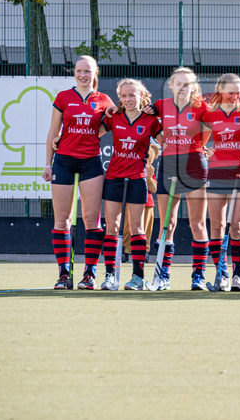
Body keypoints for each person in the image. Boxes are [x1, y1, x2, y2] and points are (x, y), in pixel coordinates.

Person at [43, 56, 113, 290]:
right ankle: (64, 274)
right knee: (62, 220)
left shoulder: (103, 99)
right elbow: (53, 131)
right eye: (79, 71)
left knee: (92, 220)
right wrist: (48, 163)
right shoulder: (63, 97)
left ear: (96, 73)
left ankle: (89, 275)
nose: (83, 75)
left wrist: (91, 134)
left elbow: (106, 126)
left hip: (91, 164)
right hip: (63, 161)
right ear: (75, 72)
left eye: (87, 71)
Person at [99, 79, 161, 291]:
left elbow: (168, 141)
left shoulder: (151, 120)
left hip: (137, 177)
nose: (127, 100)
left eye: (131, 95)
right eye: (123, 96)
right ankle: (109, 275)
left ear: (141, 96)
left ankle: (137, 277)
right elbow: (92, 133)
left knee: (137, 228)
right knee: (112, 227)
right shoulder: (114, 116)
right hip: (114, 176)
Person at [153, 67, 210, 291]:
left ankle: (198, 276)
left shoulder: (202, 107)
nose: (183, 88)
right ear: (171, 85)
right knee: (167, 223)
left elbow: (208, 131)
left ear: (193, 87)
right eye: (179, 83)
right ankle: (163, 275)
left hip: (194, 163)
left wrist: (199, 147)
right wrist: (160, 138)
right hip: (169, 164)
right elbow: (147, 123)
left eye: (187, 84)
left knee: (197, 223)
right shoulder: (160, 106)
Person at [202, 73, 240, 292]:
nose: (236, 96)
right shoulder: (209, 114)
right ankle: (221, 273)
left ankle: (238, 275)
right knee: (216, 225)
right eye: (231, 92)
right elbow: (201, 142)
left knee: (237, 225)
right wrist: (207, 151)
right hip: (216, 172)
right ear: (220, 90)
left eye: (238, 92)